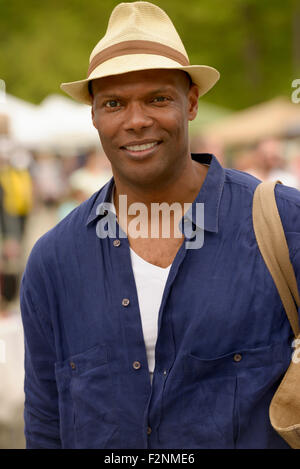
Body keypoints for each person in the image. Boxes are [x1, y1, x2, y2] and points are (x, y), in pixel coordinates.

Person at [20, 1, 300, 449]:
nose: (136, 121)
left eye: (157, 98)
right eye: (114, 103)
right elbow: (45, 422)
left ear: (190, 103)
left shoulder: (284, 226)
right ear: (93, 115)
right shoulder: (54, 262)